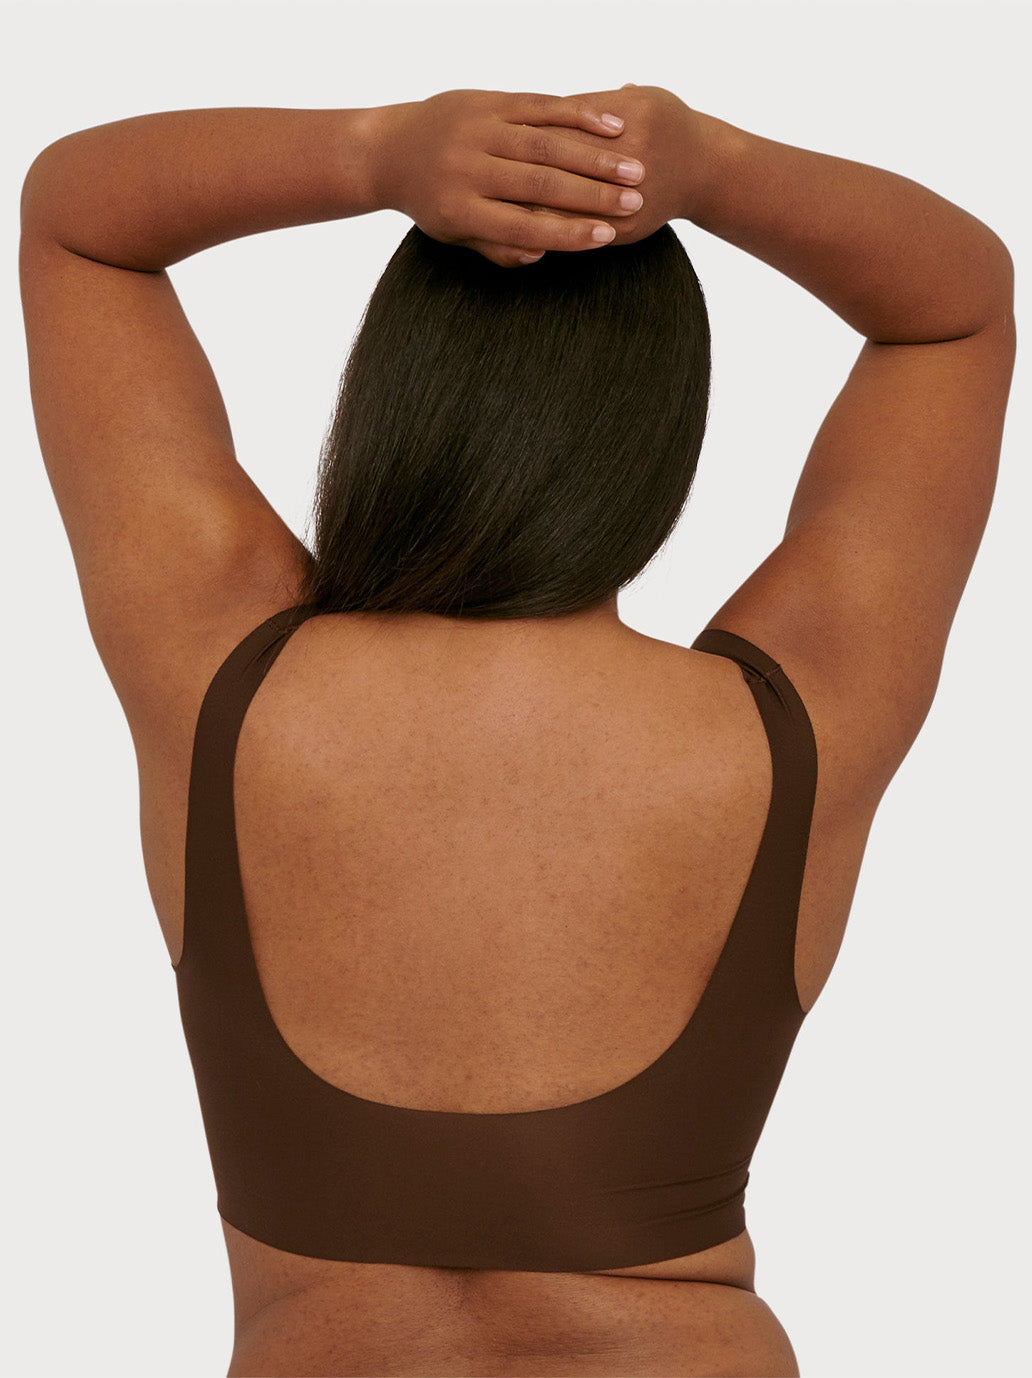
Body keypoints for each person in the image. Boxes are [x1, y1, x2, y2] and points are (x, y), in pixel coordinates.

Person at [19, 83, 1014, 1378]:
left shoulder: (221, 666)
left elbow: (78, 221)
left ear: (388, 394)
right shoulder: (789, 724)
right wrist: (707, 166)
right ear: (659, 440)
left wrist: (377, 153)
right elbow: (957, 308)